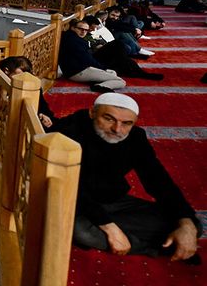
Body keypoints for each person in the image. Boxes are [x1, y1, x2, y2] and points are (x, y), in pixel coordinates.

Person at [55, 93, 200, 261]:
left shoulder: (136, 138)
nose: (117, 129)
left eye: (126, 123)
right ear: (92, 113)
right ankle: (154, 249)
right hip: (74, 201)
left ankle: (115, 233)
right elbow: (71, 187)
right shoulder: (67, 133)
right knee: (78, 231)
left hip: (113, 202)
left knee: (191, 224)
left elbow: (158, 180)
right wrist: (109, 227)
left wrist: (185, 222)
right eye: (109, 119)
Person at [58, 20, 126, 92]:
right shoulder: (73, 41)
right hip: (77, 72)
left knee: (112, 72)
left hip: (79, 69)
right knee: (121, 81)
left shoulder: (72, 37)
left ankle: (98, 82)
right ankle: (100, 86)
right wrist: (102, 68)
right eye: (81, 29)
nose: (83, 32)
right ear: (73, 28)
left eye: (86, 30)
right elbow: (87, 59)